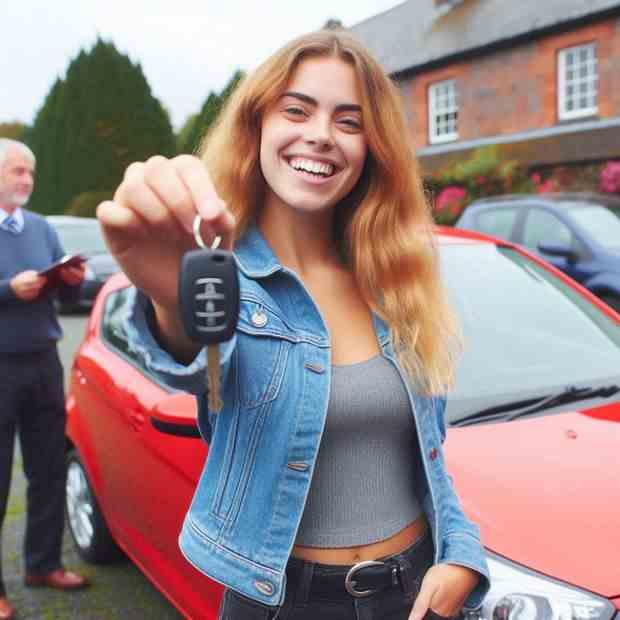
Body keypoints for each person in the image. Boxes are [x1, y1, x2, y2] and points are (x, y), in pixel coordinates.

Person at [98, 30, 490, 620]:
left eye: (349, 121)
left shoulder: (396, 282)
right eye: (297, 109)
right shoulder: (225, 277)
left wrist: (462, 555)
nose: (320, 135)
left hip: (414, 593)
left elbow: (431, 456)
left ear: (372, 149)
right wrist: (175, 301)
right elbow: (194, 359)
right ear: (257, 126)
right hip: (284, 605)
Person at [0, 139, 89, 620]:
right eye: (17, 172)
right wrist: (8, 290)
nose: (27, 180)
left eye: (30, 172)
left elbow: (66, 301)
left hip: (42, 362)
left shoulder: (39, 228)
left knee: (49, 469)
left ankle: (43, 565)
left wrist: (67, 280)